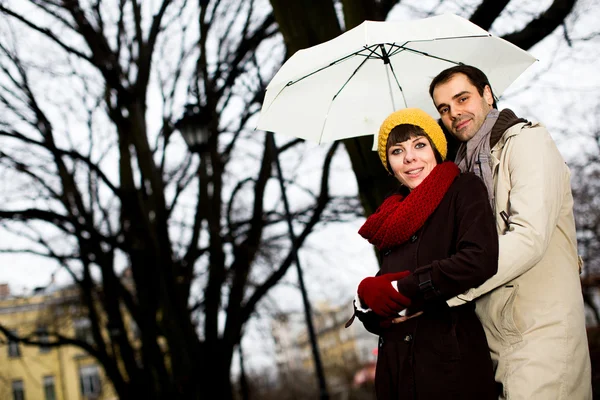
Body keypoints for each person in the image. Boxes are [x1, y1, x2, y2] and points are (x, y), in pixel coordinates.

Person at [428, 64, 593, 400]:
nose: (454, 113)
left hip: (540, 330)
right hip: (490, 333)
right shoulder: (459, 174)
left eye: (462, 98)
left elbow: (529, 237)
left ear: (487, 94)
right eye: (444, 108)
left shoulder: (526, 142)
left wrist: (446, 286)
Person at [347, 107, 499, 399]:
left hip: (450, 362)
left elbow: (478, 258)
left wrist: (404, 288)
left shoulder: (463, 189)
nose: (409, 158)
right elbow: (387, 288)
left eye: (419, 145)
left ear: (436, 149)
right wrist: (366, 301)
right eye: (397, 151)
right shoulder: (391, 216)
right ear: (389, 164)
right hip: (399, 368)